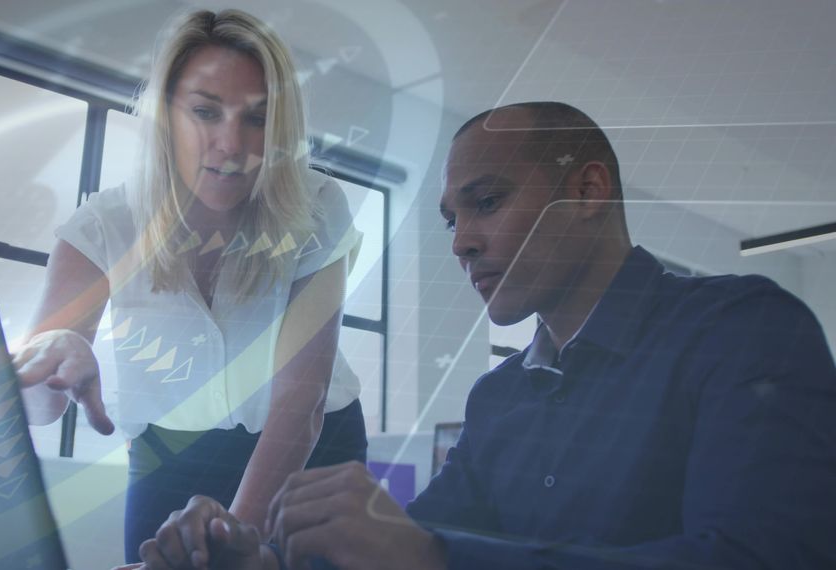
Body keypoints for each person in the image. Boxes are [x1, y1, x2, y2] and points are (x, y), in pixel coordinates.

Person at [136, 101, 836, 569]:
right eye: (450, 219)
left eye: (488, 202)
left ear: (588, 191)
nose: (462, 243)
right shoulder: (499, 400)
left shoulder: (745, 332)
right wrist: (255, 557)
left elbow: (762, 558)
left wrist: (436, 559)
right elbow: (413, 545)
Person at [11, 9, 367, 563]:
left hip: (311, 451)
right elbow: (35, 411)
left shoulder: (317, 209)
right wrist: (54, 362)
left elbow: (302, 399)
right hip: (168, 457)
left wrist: (231, 539)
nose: (231, 143)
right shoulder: (104, 225)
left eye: (257, 118)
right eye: (205, 111)